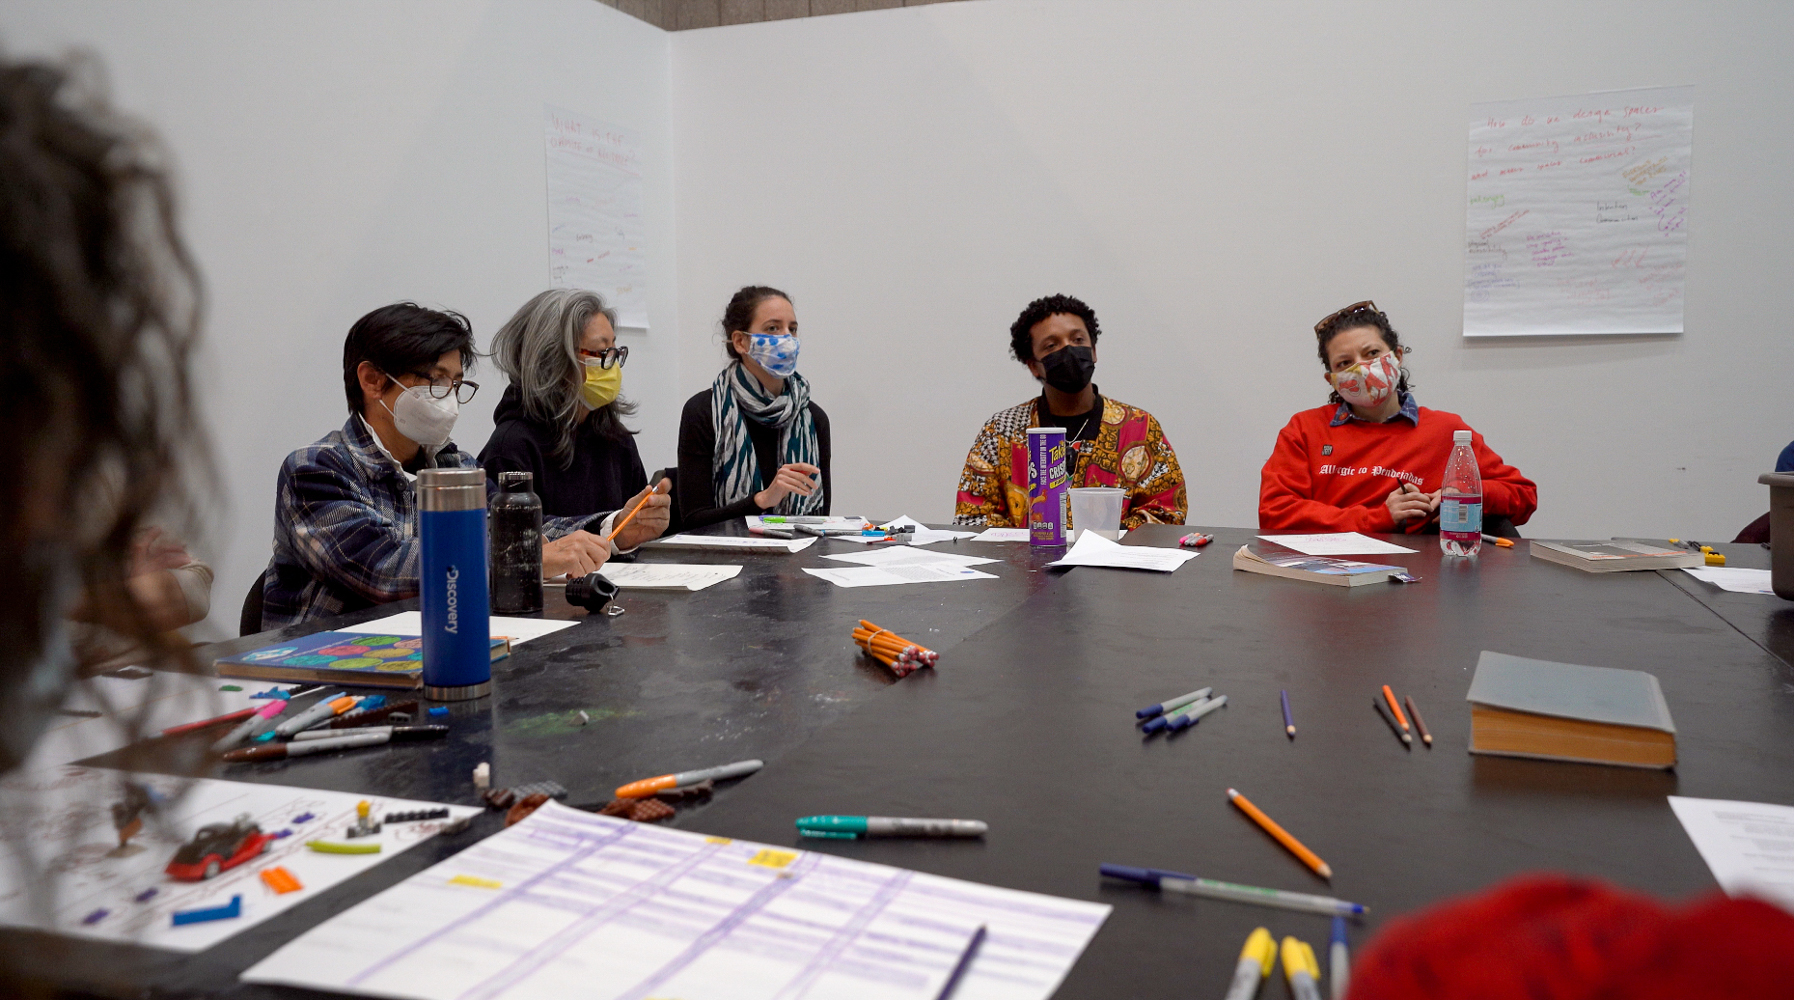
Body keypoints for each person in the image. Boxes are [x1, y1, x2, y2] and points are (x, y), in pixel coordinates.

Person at [0, 54, 210, 775]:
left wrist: (86, 603)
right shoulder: (321, 464)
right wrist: (100, 601)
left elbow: (189, 586)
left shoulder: (66, 484)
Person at [261, 303, 669, 630]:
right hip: (328, 676)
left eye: (456, 383)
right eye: (437, 380)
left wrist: (615, 527)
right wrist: (529, 559)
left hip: (434, 650)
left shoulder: (454, 464)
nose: (449, 397)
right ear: (371, 380)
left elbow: (524, 529)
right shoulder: (317, 470)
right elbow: (387, 571)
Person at [1259, 300, 1537, 535]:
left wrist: (1468, 492)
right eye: (1345, 363)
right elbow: (1275, 513)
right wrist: (1378, 518)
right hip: (1326, 576)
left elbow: (1523, 494)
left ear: (1397, 356)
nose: (1362, 368)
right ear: (1332, 379)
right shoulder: (1305, 429)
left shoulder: (1446, 431)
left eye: (1372, 353)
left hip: (1419, 580)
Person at [954, 294, 1186, 530]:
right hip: (1024, 566)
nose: (1068, 350)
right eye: (1051, 345)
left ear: (1093, 351)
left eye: (1077, 339)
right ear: (1033, 365)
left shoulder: (1139, 427)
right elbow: (972, 519)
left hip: (1111, 566)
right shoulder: (1001, 431)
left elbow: (1166, 514)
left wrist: (1103, 543)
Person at [480, 289, 648, 518]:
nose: (612, 364)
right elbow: (513, 544)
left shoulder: (616, 439)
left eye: (614, 351)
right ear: (552, 358)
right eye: (600, 352)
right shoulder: (511, 448)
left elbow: (634, 532)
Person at [677, 286, 830, 529]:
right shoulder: (704, 412)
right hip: (720, 560)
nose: (787, 339)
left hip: (795, 559)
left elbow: (819, 518)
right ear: (741, 341)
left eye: (792, 329)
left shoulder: (812, 418)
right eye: (773, 328)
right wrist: (761, 500)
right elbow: (693, 520)